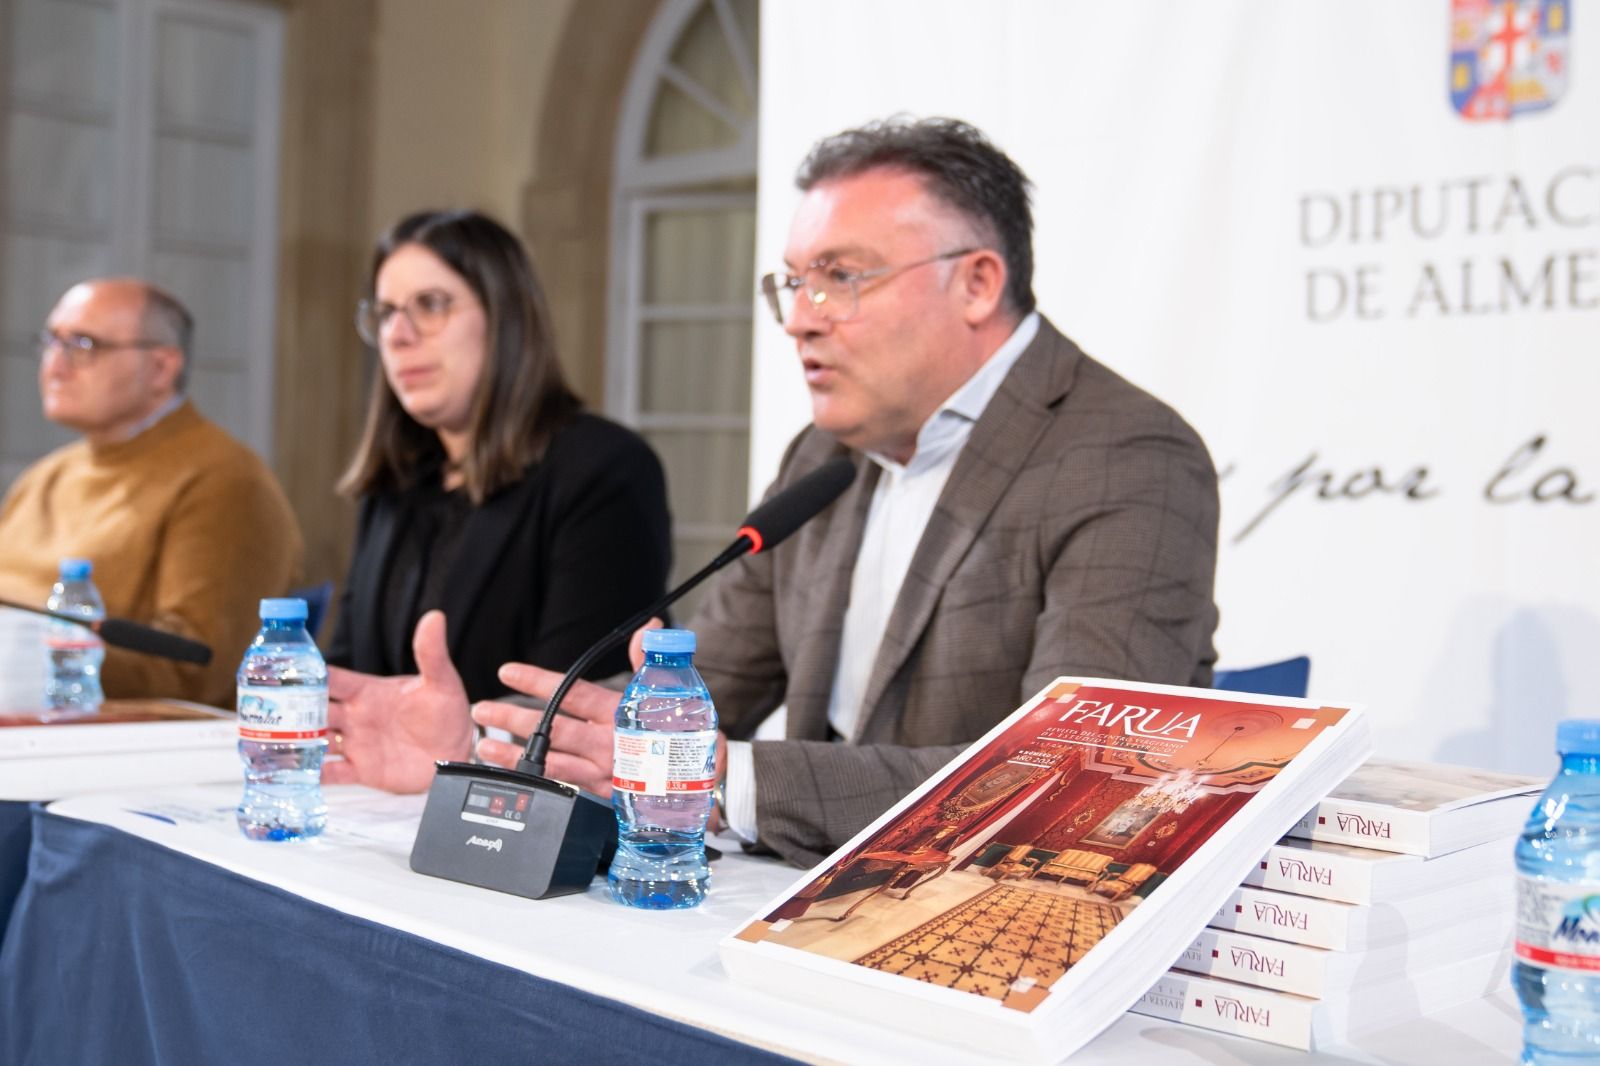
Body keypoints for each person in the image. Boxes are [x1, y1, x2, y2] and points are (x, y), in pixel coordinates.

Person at [326, 119, 1219, 868]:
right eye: (794, 282)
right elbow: (686, 690)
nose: (800, 315)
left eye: (843, 276)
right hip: (802, 914)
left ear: (978, 282)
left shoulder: (1126, 456)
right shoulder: (823, 459)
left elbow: (1067, 778)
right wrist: (484, 753)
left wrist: (721, 778)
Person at [324, 209, 671, 703]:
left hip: (517, 779)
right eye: (385, 313)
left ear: (503, 317)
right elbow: (347, 674)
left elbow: (575, 700)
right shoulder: (396, 481)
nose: (398, 336)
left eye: (430, 304)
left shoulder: (604, 469)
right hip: (377, 781)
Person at [0, 278, 304, 707]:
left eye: (83, 345)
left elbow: (196, 669)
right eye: (51, 341)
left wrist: (30, 662)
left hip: (118, 748)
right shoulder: (43, 477)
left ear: (162, 368)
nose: (55, 364)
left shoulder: (225, 480)